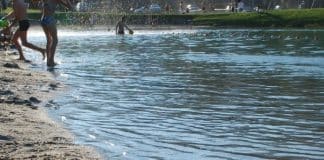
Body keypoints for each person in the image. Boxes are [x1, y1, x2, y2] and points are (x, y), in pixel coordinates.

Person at [41, 0, 74, 67]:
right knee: (55, 40)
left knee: (49, 40)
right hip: (50, 19)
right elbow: (70, 7)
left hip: (43, 19)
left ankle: (48, 61)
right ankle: (51, 61)